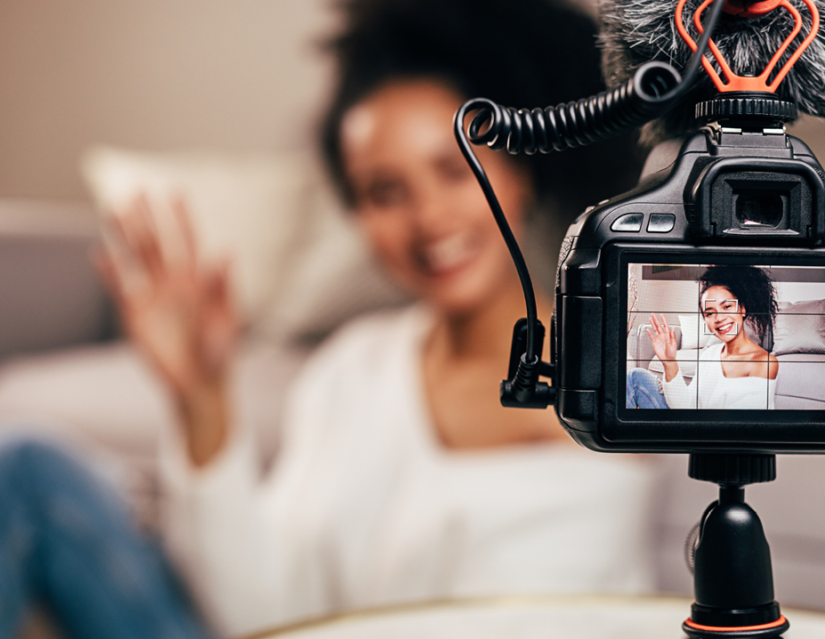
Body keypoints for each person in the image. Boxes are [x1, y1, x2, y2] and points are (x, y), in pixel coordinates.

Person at [0, 0, 651, 637]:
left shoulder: (611, 379)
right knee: (23, 465)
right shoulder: (354, 367)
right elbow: (258, 610)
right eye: (383, 192)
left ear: (521, 170)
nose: (427, 219)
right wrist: (200, 394)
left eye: (455, 172)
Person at [627, 265, 779, 410]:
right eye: (710, 313)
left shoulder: (765, 363)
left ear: (742, 308)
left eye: (727, 307)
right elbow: (687, 405)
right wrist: (669, 362)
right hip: (693, 427)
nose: (719, 318)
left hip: (711, 435)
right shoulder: (710, 354)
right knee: (635, 377)